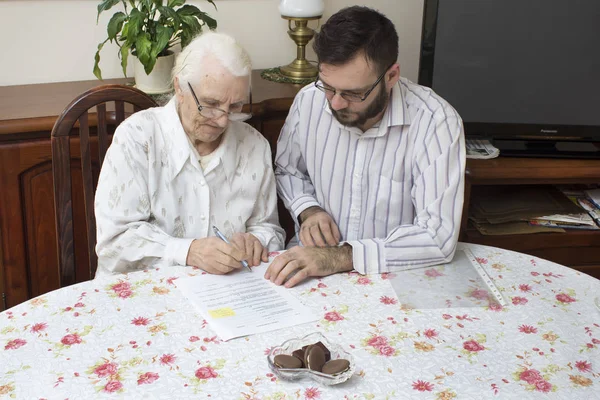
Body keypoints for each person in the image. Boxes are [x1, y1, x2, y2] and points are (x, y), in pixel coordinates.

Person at [267, 6, 465, 287]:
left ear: (391, 76)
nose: (335, 103)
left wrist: (339, 257)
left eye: (353, 93)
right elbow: (287, 170)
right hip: (307, 274)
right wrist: (308, 209)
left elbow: (438, 237)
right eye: (328, 86)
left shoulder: (436, 122)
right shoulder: (308, 101)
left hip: (395, 280)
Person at [95, 32, 285, 276]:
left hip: (223, 297)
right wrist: (189, 251)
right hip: (143, 297)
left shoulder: (254, 145)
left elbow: (270, 229)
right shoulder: (137, 138)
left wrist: (256, 241)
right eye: (210, 103)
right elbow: (114, 243)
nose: (222, 120)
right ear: (179, 86)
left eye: (235, 106)